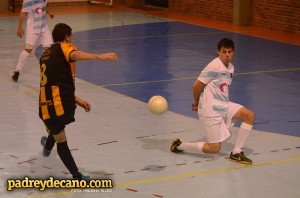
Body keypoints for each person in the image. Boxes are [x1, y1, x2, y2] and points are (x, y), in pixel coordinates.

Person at [39, 23, 118, 179]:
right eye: (71, 35)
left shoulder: (45, 53)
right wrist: (100, 56)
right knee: (61, 140)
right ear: (67, 36)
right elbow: (74, 55)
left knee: (55, 126)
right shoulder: (65, 47)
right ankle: (77, 176)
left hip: (46, 105)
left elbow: (54, 82)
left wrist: (77, 100)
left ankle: (47, 147)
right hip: (57, 106)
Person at [170, 38, 255, 165]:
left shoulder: (231, 67)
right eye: (224, 52)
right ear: (218, 52)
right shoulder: (214, 66)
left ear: (233, 53)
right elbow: (196, 86)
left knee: (248, 115)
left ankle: (236, 153)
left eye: (229, 52)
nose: (227, 55)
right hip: (210, 110)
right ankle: (180, 146)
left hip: (224, 105)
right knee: (214, 148)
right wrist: (197, 102)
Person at [12, 0, 54, 82]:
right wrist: (19, 27)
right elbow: (23, 13)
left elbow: (43, 7)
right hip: (33, 28)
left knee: (48, 49)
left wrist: (49, 13)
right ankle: (17, 71)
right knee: (28, 49)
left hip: (44, 27)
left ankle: (47, 73)